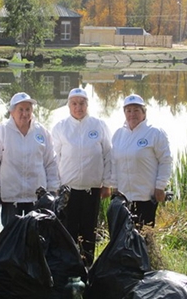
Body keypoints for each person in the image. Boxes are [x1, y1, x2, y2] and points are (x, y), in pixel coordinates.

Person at [51, 87, 112, 266]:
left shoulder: (98, 125)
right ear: (69, 105)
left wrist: (107, 183)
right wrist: (55, 185)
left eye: (82, 103)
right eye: (74, 104)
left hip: (91, 190)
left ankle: (87, 265)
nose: (78, 107)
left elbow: (108, 155)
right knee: (68, 229)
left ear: (87, 104)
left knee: (88, 230)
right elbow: (54, 159)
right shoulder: (60, 128)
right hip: (68, 190)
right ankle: (69, 267)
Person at [0, 92, 59, 228]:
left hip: (36, 197)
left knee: (34, 237)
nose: (25, 114)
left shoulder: (42, 132)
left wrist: (52, 190)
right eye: (20, 109)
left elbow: (51, 162)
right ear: (12, 112)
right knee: (11, 238)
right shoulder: (0, 131)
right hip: (11, 197)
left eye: (28, 109)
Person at [110, 94, 172, 228]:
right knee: (122, 238)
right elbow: (114, 163)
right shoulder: (118, 135)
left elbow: (165, 161)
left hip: (145, 196)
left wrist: (160, 186)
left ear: (144, 112)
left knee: (144, 237)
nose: (132, 114)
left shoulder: (154, 132)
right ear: (124, 112)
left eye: (136, 110)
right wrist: (114, 188)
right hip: (123, 196)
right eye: (129, 110)